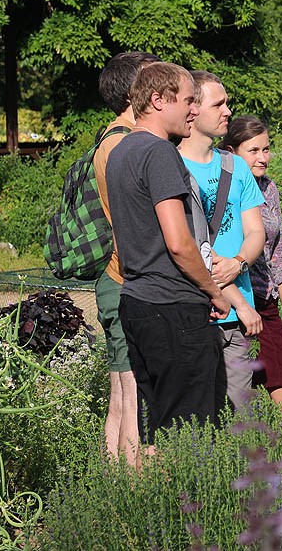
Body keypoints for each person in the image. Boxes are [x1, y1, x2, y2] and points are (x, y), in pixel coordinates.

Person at [106, 62, 230, 448]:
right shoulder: (159, 153)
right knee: (190, 437)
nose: (194, 110)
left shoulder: (120, 151)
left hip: (137, 302)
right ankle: (187, 508)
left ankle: (153, 507)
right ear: (158, 101)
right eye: (189, 100)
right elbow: (178, 241)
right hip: (174, 306)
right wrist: (213, 290)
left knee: (157, 429)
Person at [177, 71, 266, 410]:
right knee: (195, 414)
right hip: (198, 310)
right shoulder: (172, 165)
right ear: (193, 109)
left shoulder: (235, 167)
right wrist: (236, 297)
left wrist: (239, 263)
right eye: (219, 104)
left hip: (238, 319)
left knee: (239, 415)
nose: (228, 111)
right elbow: (189, 245)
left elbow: (255, 230)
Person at [93, 50, 159, 465]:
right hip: (125, 278)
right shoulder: (124, 145)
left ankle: (116, 478)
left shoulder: (109, 138)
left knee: (122, 388)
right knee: (131, 389)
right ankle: (131, 486)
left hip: (113, 278)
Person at [221, 116, 282, 416]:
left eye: (267, 149)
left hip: (266, 301)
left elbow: (277, 252)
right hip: (232, 300)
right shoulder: (221, 188)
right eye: (253, 150)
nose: (263, 158)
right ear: (231, 151)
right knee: (237, 400)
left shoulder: (269, 190)